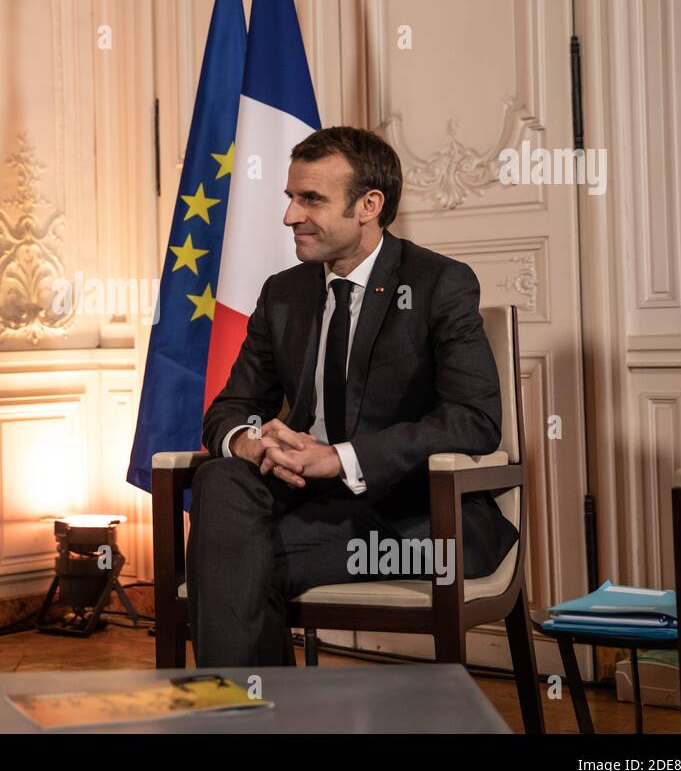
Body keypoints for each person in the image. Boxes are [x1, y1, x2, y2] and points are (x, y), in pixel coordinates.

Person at [188, 126, 518, 666]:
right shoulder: (283, 294)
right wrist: (250, 442)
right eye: (290, 198)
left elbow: (474, 420)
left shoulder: (440, 284)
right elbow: (229, 408)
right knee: (220, 476)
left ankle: (246, 718)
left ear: (369, 205)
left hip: (412, 518)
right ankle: (255, 718)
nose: (290, 216)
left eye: (310, 199)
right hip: (313, 511)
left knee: (231, 565)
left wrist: (339, 458)